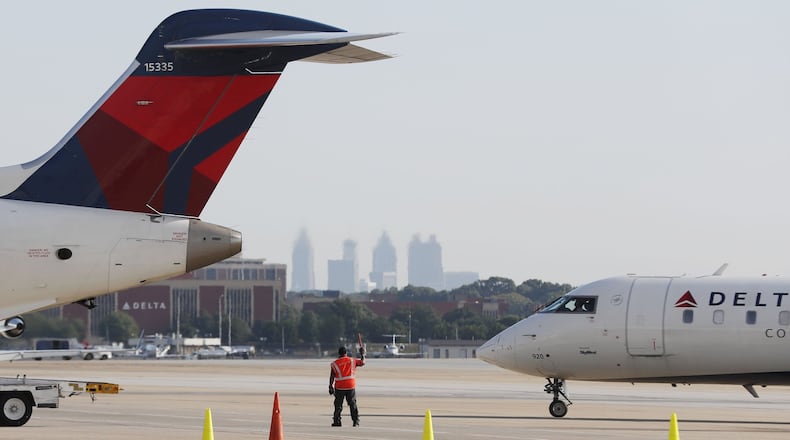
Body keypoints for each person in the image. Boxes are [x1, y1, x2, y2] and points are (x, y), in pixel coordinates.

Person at [328, 344, 365, 427]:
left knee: (338, 405)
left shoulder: (334, 364)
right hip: (350, 385)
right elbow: (362, 362)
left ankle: (337, 421)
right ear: (346, 353)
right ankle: (355, 421)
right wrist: (363, 354)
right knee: (352, 404)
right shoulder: (352, 360)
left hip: (340, 386)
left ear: (339, 354)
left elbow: (332, 376)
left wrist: (330, 386)